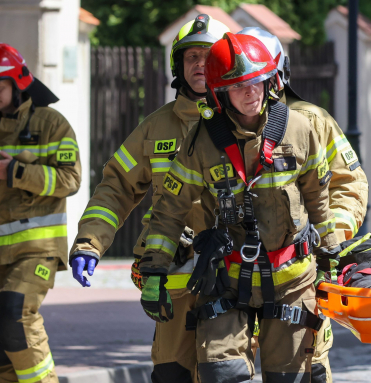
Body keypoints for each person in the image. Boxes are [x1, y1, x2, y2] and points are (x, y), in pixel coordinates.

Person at [137, 32, 338, 382]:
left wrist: (333, 258)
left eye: (257, 82)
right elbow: (169, 210)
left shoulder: (300, 130)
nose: (251, 93)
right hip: (226, 282)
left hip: (291, 282)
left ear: (270, 81)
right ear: (218, 92)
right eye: (239, 86)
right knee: (220, 373)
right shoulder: (201, 141)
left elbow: (319, 200)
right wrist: (153, 271)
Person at [68, 14, 230, 383]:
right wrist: (89, 244)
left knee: (224, 372)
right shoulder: (156, 128)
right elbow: (115, 188)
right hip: (172, 278)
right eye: (191, 57)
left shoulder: (246, 123)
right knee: (171, 374)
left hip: (234, 277)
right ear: (178, 65)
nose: (199, 64)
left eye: (208, 55)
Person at [237, 27, 369, 383]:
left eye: (263, 77)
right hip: (232, 279)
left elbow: (349, 184)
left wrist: (329, 235)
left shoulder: (311, 120)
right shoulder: (218, 127)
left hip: (300, 275)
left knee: (307, 368)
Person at [0, 43, 81, 383]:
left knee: (14, 315)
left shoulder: (51, 124)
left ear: (18, 85)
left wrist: (15, 172)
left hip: (37, 247)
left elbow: (70, 179)